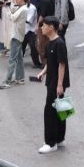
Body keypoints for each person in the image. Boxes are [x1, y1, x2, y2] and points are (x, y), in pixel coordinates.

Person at [36, 16, 69, 154]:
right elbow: (50, 62)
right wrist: (43, 72)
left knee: (50, 111)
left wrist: (59, 85)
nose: (41, 28)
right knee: (60, 109)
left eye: (44, 25)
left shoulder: (59, 43)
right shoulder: (50, 43)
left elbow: (62, 64)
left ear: (51, 27)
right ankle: (60, 139)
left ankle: (51, 143)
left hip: (57, 82)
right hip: (53, 80)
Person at [1, 0, 28, 89]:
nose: (15, 0)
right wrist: (9, 4)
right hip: (18, 35)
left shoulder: (23, 9)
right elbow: (13, 10)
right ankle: (20, 78)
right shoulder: (21, 8)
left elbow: (12, 17)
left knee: (12, 59)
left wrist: (7, 8)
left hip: (16, 36)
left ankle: (8, 81)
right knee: (19, 58)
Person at [34, 0, 54, 66]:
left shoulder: (44, 0)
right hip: (49, 25)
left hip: (44, 25)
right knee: (45, 45)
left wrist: (37, 26)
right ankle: (47, 63)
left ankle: (46, 64)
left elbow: (42, 15)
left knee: (41, 45)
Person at [22, 0, 42, 68]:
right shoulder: (19, 7)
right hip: (22, 30)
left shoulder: (31, 8)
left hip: (31, 30)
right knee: (21, 47)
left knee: (33, 47)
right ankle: (18, 61)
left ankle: (36, 63)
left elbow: (28, 20)